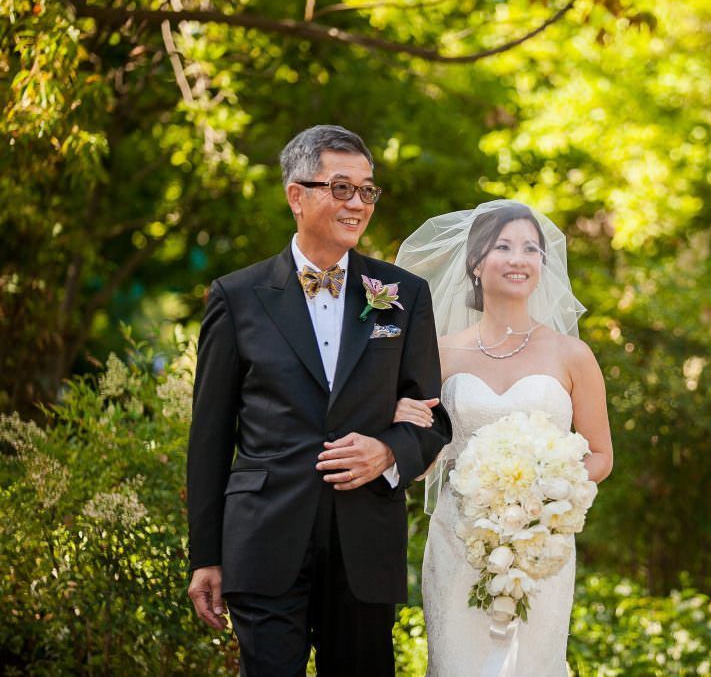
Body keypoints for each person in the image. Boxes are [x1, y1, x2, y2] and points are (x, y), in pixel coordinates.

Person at [185, 124, 452, 676]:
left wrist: (387, 450)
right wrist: (205, 555)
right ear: (296, 195)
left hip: (365, 541)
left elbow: (432, 418)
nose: (357, 203)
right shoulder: (236, 297)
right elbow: (209, 437)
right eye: (340, 187)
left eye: (367, 190)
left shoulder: (404, 296)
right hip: (264, 537)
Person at [393, 200, 613, 676]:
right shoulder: (440, 354)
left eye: (531, 249)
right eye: (504, 246)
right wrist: (403, 429)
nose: (520, 258)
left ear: (542, 265)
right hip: (459, 540)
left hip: (539, 545)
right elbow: (426, 459)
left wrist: (551, 486)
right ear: (475, 263)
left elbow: (600, 455)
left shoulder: (572, 355)